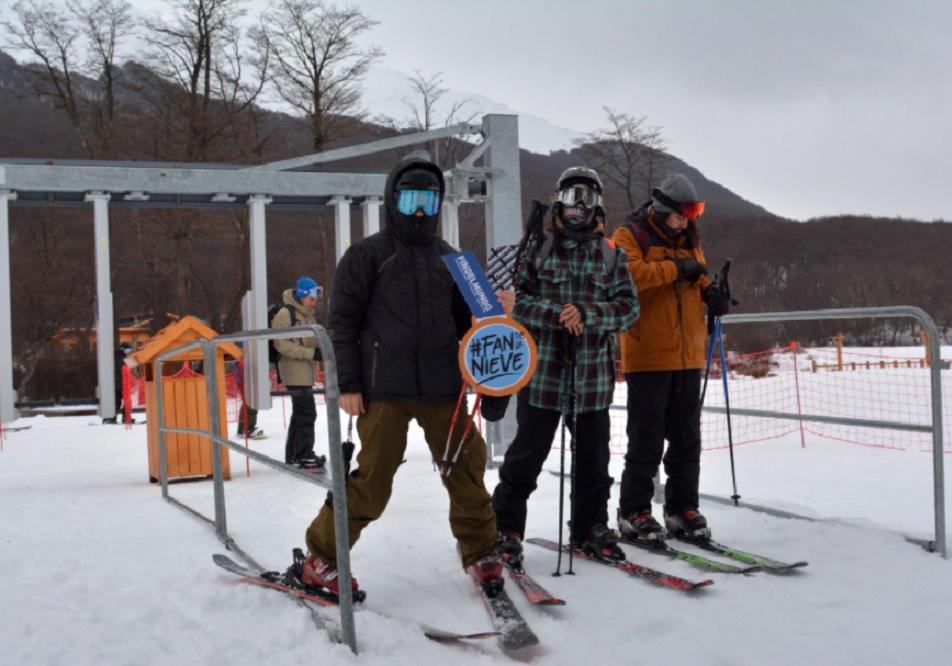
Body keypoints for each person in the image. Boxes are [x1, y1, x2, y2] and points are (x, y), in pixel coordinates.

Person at [298, 155, 502, 597]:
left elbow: (490, 328)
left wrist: (496, 385)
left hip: (444, 388)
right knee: (372, 478)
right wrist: (347, 384)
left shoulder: (458, 262)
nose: (419, 212)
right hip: (382, 389)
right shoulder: (367, 255)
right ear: (393, 200)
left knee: (466, 469)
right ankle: (322, 558)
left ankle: (482, 549)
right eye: (410, 199)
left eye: (428, 201)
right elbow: (343, 322)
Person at [492, 166, 639, 565]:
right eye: (572, 197)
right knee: (525, 457)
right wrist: (558, 314)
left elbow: (628, 309)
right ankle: (505, 528)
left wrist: (586, 313)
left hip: (592, 382)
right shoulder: (537, 250)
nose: (578, 207)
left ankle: (590, 527)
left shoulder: (612, 255)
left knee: (594, 461)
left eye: (587, 198)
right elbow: (515, 303)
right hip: (543, 378)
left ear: (598, 205)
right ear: (558, 200)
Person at [612, 173, 729, 541]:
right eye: (683, 214)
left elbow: (697, 277)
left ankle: (682, 507)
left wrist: (713, 294)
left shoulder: (689, 238)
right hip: (648, 355)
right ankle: (635, 509)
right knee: (646, 438)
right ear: (664, 210)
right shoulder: (630, 235)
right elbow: (629, 275)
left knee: (686, 438)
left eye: (693, 214)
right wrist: (677, 269)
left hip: (688, 355)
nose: (688, 220)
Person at [272, 276, 325, 469]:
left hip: (304, 370)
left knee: (300, 412)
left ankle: (294, 454)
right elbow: (281, 344)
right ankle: (303, 453)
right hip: (295, 370)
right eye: (312, 298)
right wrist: (311, 353)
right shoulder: (286, 314)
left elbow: (311, 338)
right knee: (307, 412)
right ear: (302, 296)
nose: (314, 302)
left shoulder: (307, 313)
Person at [233, 342, 264, 440]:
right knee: (250, 404)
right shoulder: (242, 358)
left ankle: (245, 428)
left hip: (248, 380)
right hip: (245, 380)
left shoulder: (248, 356)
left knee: (250, 404)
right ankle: (247, 429)